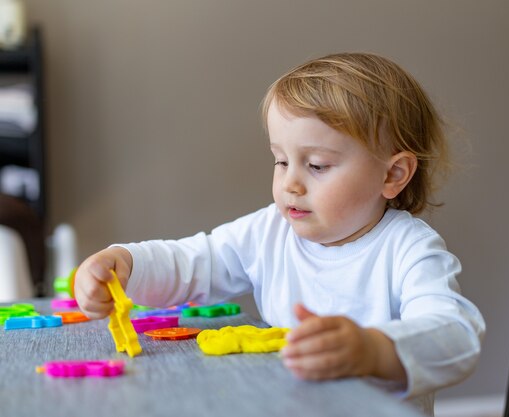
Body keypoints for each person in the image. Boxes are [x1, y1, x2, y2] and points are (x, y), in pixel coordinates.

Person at [74, 52, 485, 416]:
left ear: (392, 174)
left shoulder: (408, 248)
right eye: (281, 161)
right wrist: (125, 264)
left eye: (318, 165)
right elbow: (196, 262)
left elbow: (456, 335)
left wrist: (374, 349)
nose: (291, 183)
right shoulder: (269, 231)